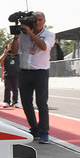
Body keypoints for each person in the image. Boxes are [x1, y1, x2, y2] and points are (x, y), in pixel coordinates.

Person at [11, 11, 56, 143]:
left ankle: (44, 131)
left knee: (41, 102)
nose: (37, 22)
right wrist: (15, 37)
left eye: (40, 20)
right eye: (35, 20)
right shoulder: (22, 35)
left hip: (41, 72)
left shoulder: (49, 35)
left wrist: (31, 33)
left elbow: (43, 47)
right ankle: (34, 128)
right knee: (25, 102)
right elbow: (13, 52)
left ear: (44, 21)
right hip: (25, 72)